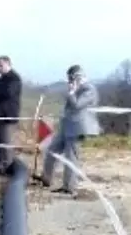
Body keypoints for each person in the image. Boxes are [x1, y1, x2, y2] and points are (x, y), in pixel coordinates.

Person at [39, 64, 100, 195]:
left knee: (71, 157)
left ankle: (69, 187)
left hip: (77, 128)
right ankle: (46, 178)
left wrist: (72, 92)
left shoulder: (89, 89)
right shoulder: (78, 88)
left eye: (71, 78)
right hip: (66, 126)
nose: (69, 81)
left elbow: (77, 105)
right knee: (52, 149)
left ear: (78, 76)